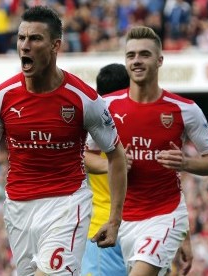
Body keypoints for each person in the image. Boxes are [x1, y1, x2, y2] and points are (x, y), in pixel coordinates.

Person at [0, 6, 128, 276]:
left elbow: (116, 155)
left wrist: (114, 219)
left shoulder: (84, 99)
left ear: (55, 45)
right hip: (18, 209)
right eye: (21, 38)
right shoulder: (1, 98)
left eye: (35, 38)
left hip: (67, 204)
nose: (25, 45)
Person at [85, 26, 208, 276]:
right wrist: (112, 165)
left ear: (160, 60)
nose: (137, 60)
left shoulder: (185, 109)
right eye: (131, 55)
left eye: (144, 54)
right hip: (124, 222)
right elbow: (83, 155)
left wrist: (186, 163)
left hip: (165, 215)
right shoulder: (107, 106)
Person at [81, 63, 130, 276]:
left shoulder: (93, 119)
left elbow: (79, 156)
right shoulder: (143, 120)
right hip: (144, 227)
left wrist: (111, 165)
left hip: (104, 226)